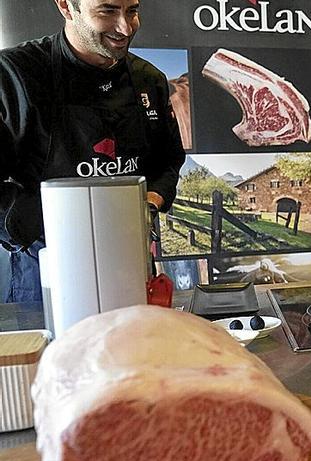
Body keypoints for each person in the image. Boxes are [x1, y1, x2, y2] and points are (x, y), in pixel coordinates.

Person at [0, 0, 185, 302]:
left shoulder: (148, 80)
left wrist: (149, 203)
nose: (125, 27)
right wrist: (38, 224)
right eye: (108, 11)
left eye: (132, 11)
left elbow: (169, 159)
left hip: (130, 265)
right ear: (66, 6)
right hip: (48, 269)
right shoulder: (15, 75)